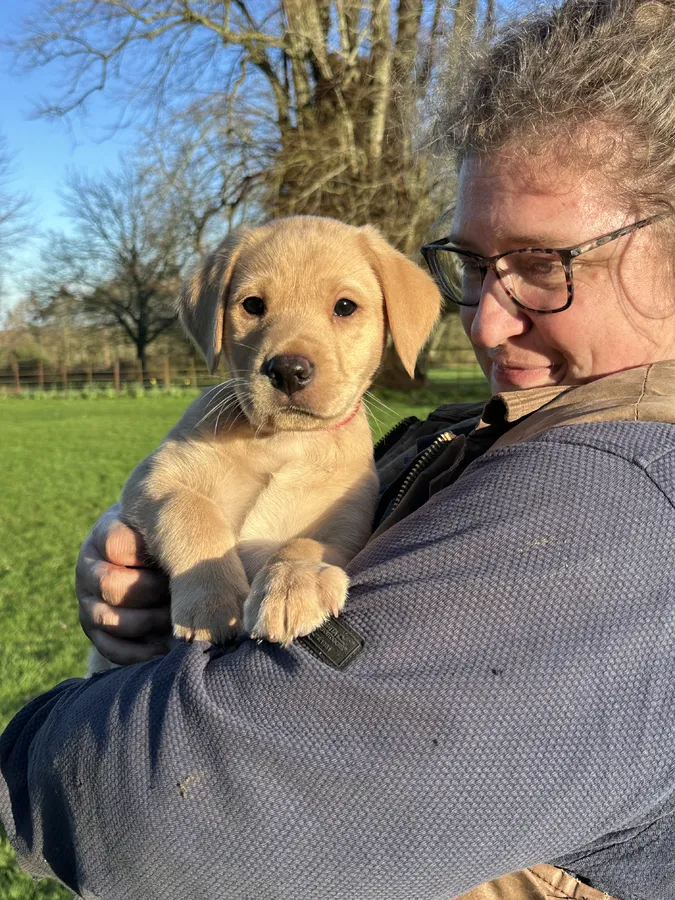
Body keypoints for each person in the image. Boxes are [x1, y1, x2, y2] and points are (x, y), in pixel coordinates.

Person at [3, 0, 675, 897]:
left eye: (548, 263)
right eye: (472, 266)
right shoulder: (470, 429)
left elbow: (163, 808)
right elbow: (174, 500)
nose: (487, 315)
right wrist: (141, 582)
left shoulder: (621, 490)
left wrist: (36, 736)